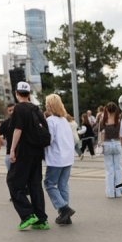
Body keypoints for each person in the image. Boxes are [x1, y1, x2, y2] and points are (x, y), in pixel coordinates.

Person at [7, 82, 50, 230]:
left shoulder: (19, 108)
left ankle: (27, 214)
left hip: (24, 151)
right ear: (29, 93)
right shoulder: (36, 109)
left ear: (16, 93)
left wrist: (12, 150)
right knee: (34, 184)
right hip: (37, 152)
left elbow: (18, 130)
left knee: (13, 181)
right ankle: (41, 219)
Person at [43, 94, 76, 225]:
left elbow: (48, 140)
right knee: (63, 185)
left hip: (56, 158)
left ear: (50, 105)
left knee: (49, 184)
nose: (45, 105)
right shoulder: (64, 121)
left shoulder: (50, 121)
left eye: (47, 103)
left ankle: (64, 209)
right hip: (67, 157)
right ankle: (65, 216)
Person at [98, 102, 122, 198]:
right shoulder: (118, 120)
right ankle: (118, 192)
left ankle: (110, 193)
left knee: (109, 170)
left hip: (107, 143)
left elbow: (96, 129)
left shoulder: (104, 120)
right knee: (118, 169)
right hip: (117, 143)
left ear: (106, 110)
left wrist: (100, 117)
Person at [0, 103, 15, 171]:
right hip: (9, 151)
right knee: (11, 173)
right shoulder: (6, 123)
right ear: (7, 112)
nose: (11, 112)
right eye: (9, 110)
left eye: (13, 110)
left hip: (22, 152)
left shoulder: (23, 121)